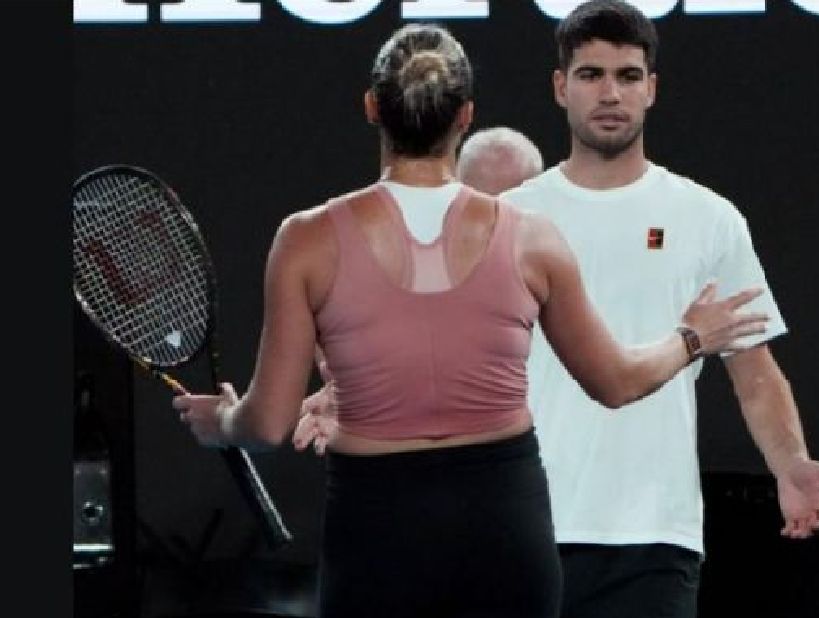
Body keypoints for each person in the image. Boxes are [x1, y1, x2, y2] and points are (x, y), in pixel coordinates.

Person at [170, 22, 769, 618]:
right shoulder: (532, 238)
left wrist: (221, 419)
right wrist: (692, 337)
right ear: (465, 116)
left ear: (373, 107)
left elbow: (267, 424)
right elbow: (616, 382)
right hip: (503, 528)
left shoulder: (306, 240)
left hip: (377, 531)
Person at [497, 2, 819, 617]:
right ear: (560, 87)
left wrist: (789, 463)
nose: (610, 93)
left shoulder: (707, 218)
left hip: (655, 537)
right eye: (591, 75)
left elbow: (754, 372)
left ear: (651, 89)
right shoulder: (510, 217)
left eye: (628, 76)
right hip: (523, 530)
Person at [292, 125, 546, 453]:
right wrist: (354, 404)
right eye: (484, 205)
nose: (497, 224)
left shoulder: (561, 279)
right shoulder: (405, 294)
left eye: (512, 207)